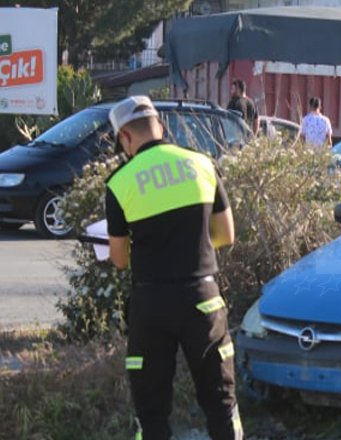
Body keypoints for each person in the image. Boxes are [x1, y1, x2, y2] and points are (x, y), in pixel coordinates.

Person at [105, 96, 241, 440]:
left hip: (151, 305)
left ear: (125, 138)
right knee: (221, 405)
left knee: (151, 413)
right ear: (160, 127)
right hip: (203, 298)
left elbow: (119, 259)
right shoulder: (202, 164)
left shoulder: (120, 182)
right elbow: (226, 234)